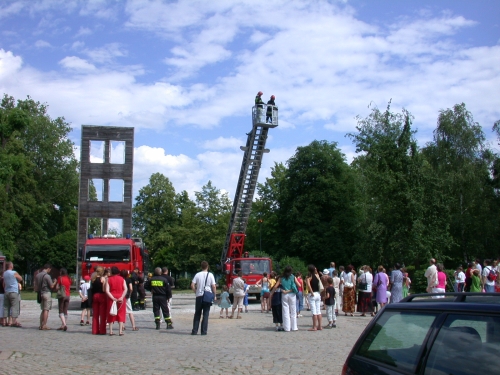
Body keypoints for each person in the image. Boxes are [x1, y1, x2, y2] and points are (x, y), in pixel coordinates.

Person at [191, 261, 216, 335]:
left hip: (199, 296)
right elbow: (213, 286)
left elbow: (192, 285)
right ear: (207, 266)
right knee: (205, 314)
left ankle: (194, 330)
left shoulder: (197, 274)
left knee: (197, 314)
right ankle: (204, 331)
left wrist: (196, 291)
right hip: (207, 296)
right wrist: (214, 295)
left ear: (201, 266)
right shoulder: (210, 275)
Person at [274, 265, 299, 332]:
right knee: (293, 311)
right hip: (292, 294)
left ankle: (287, 327)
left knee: (285, 311)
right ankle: (294, 327)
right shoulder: (293, 277)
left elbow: (276, 286)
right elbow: (299, 285)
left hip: (284, 295)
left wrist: (273, 292)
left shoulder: (281, 277)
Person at [105, 266, 127, 336]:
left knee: (111, 313)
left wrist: (112, 298)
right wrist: (122, 297)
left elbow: (107, 290)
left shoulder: (108, 279)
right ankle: (120, 331)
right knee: (121, 313)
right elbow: (125, 289)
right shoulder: (122, 279)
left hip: (112, 298)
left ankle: (111, 331)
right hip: (121, 297)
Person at [34, 263, 56, 330]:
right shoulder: (47, 276)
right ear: (48, 268)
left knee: (43, 309)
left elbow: (36, 286)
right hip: (46, 293)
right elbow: (51, 286)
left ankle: (41, 324)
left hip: (40, 293)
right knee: (46, 309)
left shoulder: (37, 275)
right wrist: (55, 282)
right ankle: (44, 325)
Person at [91, 266, 107, 335]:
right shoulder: (102, 278)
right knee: (102, 314)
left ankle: (95, 330)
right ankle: (102, 330)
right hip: (101, 296)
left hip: (94, 296)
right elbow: (103, 290)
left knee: (95, 314)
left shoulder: (93, 279)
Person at [305, 264, 322, 331]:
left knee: (314, 312)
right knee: (318, 311)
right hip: (318, 293)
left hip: (312, 294)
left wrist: (311, 293)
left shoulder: (308, 277)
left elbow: (309, 285)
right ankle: (320, 326)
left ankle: (314, 326)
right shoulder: (317, 276)